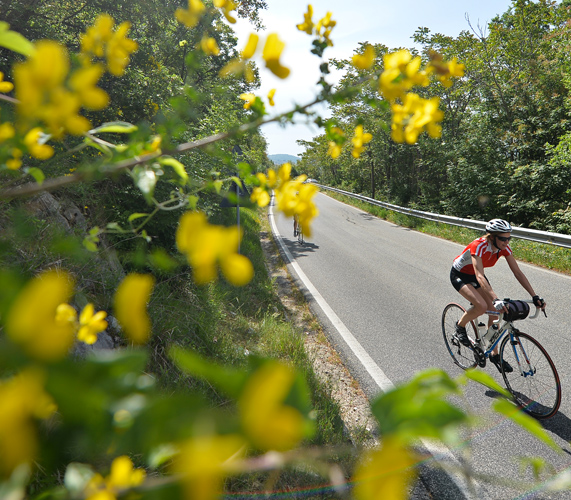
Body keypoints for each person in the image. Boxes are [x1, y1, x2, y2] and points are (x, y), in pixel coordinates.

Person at [450, 218, 546, 373]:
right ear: (492, 236)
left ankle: (494, 355)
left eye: (509, 238)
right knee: (481, 306)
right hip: (460, 275)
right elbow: (480, 276)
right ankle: (460, 326)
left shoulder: (504, 248)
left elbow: (517, 272)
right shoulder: (479, 246)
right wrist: (495, 299)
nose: (506, 241)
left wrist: (534, 296)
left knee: (495, 312)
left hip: (475, 276)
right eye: (503, 238)